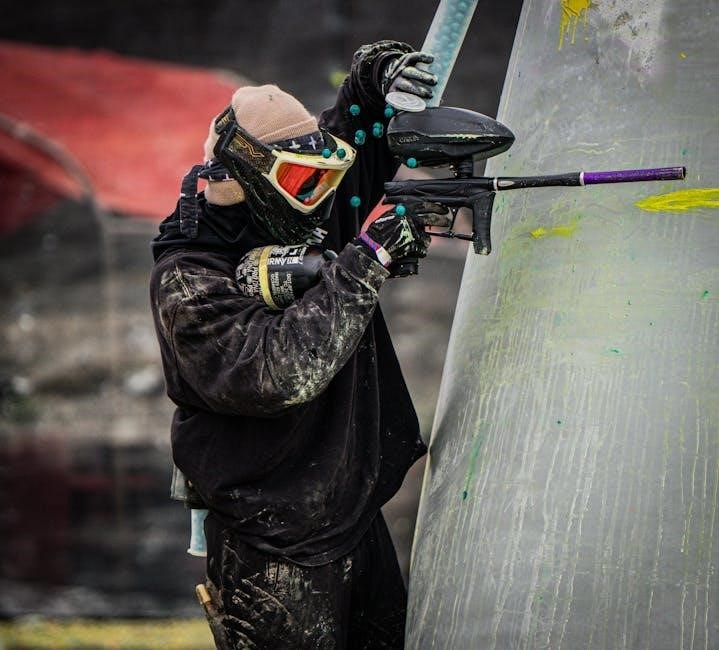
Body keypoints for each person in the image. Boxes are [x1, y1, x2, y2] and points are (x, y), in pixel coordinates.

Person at [149, 40, 448, 649]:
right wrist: (368, 260)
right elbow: (277, 374)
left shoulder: (297, 210)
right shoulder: (188, 279)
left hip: (351, 519)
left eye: (323, 178)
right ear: (244, 182)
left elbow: (353, 141)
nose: (320, 197)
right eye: (302, 181)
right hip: (271, 545)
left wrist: (373, 84)